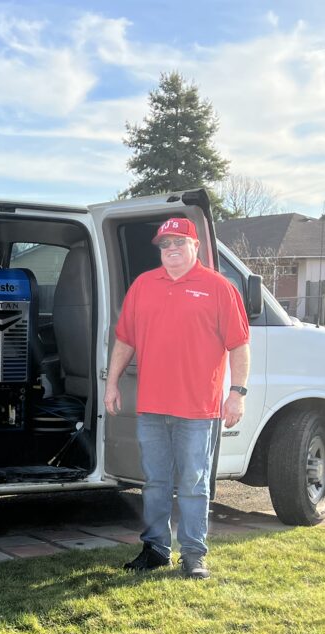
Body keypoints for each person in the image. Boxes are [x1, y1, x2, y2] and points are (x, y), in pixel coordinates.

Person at [105, 217, 250, 579]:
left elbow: (239, 345)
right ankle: (155, 549)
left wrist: (237, 394)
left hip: (198, 408)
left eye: (178, 243)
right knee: (154, 482)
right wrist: (112, 382)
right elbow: (125, 339)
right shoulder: (143, 285)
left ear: (195, 247)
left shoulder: (219, 287)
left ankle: (193, 555)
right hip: (152, 405)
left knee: (193, 482)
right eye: (165, 245)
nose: (171, 250)